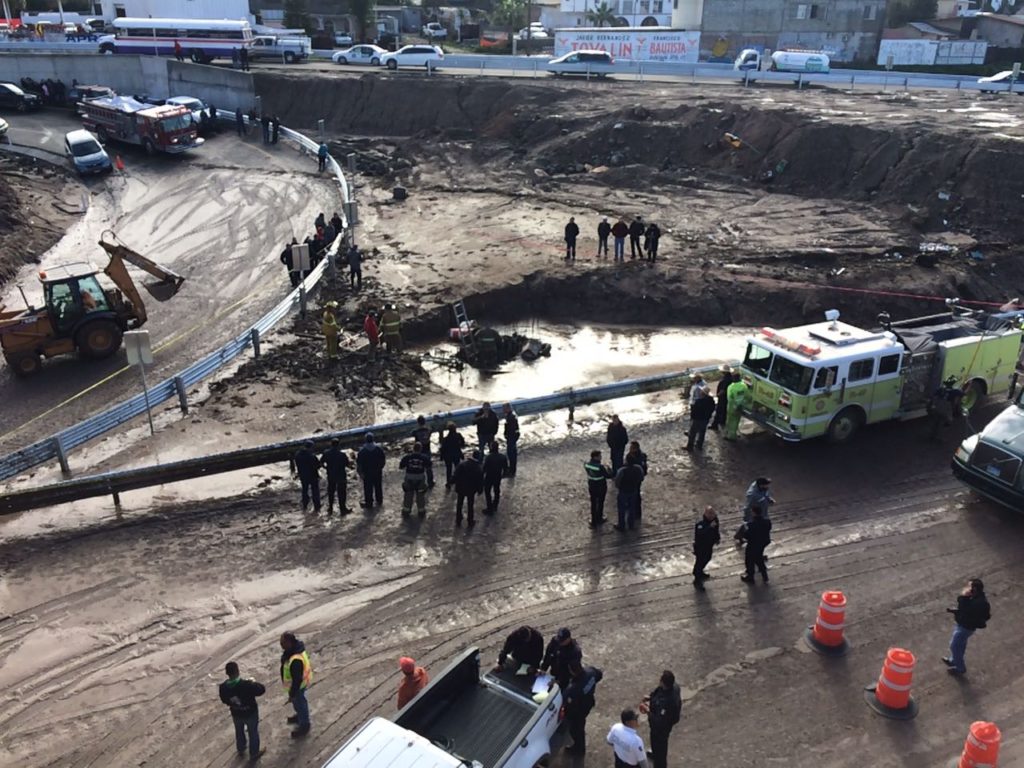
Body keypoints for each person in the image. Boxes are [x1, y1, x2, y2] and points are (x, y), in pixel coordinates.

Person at [219, 661, 266, 760]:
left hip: (236, 713)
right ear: (238, 671)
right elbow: (261, 690)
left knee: (239, 731)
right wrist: (253, 683)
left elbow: (224, 700)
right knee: (253, 732)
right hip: (250, 713)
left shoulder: (223, 687)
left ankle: (241, 748)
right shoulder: (247, 685)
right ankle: (254, 753)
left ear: (227, 673)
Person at [943, 578, 990, 676]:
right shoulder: (976, 598)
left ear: (975, 589)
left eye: (969, 586)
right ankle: (954, 660)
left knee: (954, 646)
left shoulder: (978, 602)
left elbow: (965, 608)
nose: (967, 588)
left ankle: (960, 668)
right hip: (963, 625)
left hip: (966, 627)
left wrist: (963, 596)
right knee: (961, 645)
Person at [640, 671, 681, 768]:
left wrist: (648, 711)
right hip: (658, 723)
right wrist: (650, 697)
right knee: (655, 744)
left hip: (662, 728)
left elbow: (659, 721)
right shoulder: (671, 687)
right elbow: (657, 692)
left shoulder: (668, 702)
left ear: (663, 682)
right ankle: (655, 754)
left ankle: (660, 763)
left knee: (660, 746)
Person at [564, 662, 602, 756]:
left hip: (577, 711)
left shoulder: (573, 688)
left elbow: (566, 700)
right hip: (588, 702)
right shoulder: (591, 672)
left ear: (572, 672)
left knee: (576, 729)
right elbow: (599, 675)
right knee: (579, 726)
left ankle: (579, 749)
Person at [279, 632, 312, 737]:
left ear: (289, 643)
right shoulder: (293, 651)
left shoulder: (295, 659)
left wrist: (292, 692)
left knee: (300, 704)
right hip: (296, 685)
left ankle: (304, 725)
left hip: (298, 686)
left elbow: (297, 679)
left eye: (283, 643)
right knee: (298, 704)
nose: (281, 645)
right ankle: (300, 717)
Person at [740, 506, 772, 583]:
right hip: (763, 543)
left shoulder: (751, 524)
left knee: (749, 560)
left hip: (753, 544)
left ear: (754, 513)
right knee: (759, 558)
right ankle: (765, 576)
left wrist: (744, 530)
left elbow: (746, 535)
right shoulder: (767, 521)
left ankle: (750, 577)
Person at [452, 451, 483, 527]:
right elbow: (480, 480)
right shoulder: (478, 467)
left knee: (459, 503)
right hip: (471, 489)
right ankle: (470, 520)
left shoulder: (463, 464)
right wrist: (480, 490)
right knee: (470, 505)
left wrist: (451, 482)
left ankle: (458, 519)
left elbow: (456, 474)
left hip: (461, 487)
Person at [320, 439, 351, 515]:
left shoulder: (326, 453)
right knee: (342, 493)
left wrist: (326, 468)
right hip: (341, 476)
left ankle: (330, 508)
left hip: (331, 475)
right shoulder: (342, 455)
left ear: (331, 444)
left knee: (331, 492)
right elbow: (347, 464)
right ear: (338, 445)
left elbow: (321, 463)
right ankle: (343, 509)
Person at [399, 441, 430, 518]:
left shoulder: (407, 457)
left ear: (413, 449)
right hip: (420, 478)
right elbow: (429, 467)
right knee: (420, 495)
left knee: (408, 494)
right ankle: (421, 511)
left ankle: (406, 511)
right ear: (420, 449)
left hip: (409, 478)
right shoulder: (424, 457)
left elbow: (401, 467)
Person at [692, 506, 720, 589]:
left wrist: (717, 538)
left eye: (713, 513)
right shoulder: (700, 524)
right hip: (700, 546)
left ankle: (700, 572)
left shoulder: (715, 521)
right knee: (700, 561)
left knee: (708, 558)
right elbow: (701, 533)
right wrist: (710, 527)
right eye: (709, 513)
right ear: (705, 514)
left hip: (709, 545)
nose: (712, 515)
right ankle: (697, 576)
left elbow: (716, 531)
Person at [614, 454, 644, 532]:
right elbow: (641, 478)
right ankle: (631, 524)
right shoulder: (638, 468)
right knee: (632, 508)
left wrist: (619, 487)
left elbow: (617, 482)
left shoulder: (622, 470)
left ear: (626, 461)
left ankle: (621, 525)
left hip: (623, 491)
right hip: (633, 490)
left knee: (622, 509)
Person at [584, 450, 614, 528]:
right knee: (600, 502)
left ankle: (593, 520)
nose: (601, 458)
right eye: (599, 456)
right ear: (595, 457)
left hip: (591, 485)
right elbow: (608, 476)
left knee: (593, 503)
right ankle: (599, 518)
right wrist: (610, 470)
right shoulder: (600, 467)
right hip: (601, 486)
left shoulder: (587, 464)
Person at [356, 432, 386, 508]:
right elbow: (383, 460)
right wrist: (380, 468)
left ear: (365, 440)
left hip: (367, 473)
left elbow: (359, 463)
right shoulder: (378, 449)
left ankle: (369, 502)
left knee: (368, 488)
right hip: (377, 471)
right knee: (378, 486)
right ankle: (379, 500)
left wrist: (360, 473)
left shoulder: (362, 451)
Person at [293, 441, 321, 513]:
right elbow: (318, 466)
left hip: (303, 475)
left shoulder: (297, 455)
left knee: (304, 490)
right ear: (311, 447)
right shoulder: (312, 456)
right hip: (312, 476)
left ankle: (305, 505)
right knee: (315, 491)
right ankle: (317, 507)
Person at [482, 441, 509, 514]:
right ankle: (495, 505)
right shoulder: (503, 457)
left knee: (487, 491)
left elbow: (484, 468)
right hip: (497, 476)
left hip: (489, 476)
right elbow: (505, 468)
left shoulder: (489, 457)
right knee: (496, 490)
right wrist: (503, 474)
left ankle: (489, 507)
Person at [440, 422, 466, 490]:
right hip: (456, 454)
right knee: (457, 468)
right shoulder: (458, 435)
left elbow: (443, 448)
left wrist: (441, 457)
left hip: (448, 456)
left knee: (449, 469)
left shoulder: (445, 439)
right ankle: (458, 481)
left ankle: (448, 483)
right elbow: (463, 444)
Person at [411, 415, 435, 488]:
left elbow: (411, 433)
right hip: (427, 450)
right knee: (428, 467)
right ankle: (430, 482)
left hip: (419, 451)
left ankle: (419, 483)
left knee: (419, 467)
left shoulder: (415, 431)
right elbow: (431, 430)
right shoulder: (428, 430)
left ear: (418, 422)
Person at [626, 441, 648, 520]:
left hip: (634, 479)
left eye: (631, 448)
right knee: (636, 494)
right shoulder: (642, 456)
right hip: (638, 478)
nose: (630, 449)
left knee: (635, 495)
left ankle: (634, 511)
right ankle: (636, 512)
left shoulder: (633, 457)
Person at [725, 374, 750, 441]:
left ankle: (730, 436)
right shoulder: (744, 386)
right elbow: (747, 396)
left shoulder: (731, 387)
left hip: (732, 407)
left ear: (733, 378)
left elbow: (729, 398)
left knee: (730, 421)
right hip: (740, 407)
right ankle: (734, 434)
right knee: (736, 421)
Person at [710, 366, 733, 431]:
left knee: (718, 411)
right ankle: (722, 421)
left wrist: (717, 395)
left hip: (722, 398)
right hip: (727, 397)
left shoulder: (725, 380)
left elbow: (723, 390)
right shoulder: (731, 378)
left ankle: (715, 425)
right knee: (724, 411)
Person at [502, 403, 520, 476]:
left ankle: (512, 471)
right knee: (511, 454)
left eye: (504, 408)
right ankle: (512, 470)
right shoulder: (511, 415)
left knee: (511, 454)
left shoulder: (511, 417)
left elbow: (511, 428)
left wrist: (508, 436)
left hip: (511, 437)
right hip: (511, 437)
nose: (503, 410)